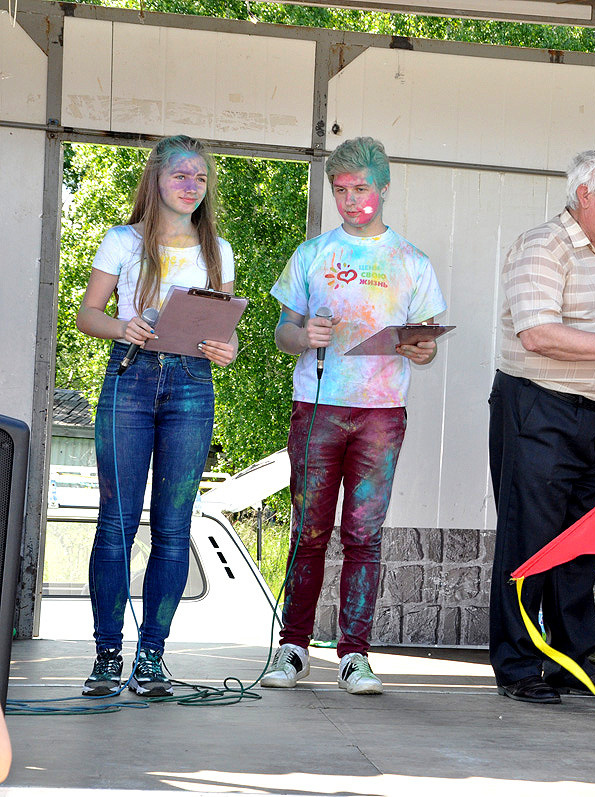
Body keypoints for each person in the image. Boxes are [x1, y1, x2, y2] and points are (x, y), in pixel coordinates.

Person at [262, 137, 446, 696]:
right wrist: (303, 335)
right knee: (307, 531)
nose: (349, 200)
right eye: (340, 190)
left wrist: (421, 350)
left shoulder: (411, 260)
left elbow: (427, 343)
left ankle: (355, 655)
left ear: (383, 188)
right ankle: (292, 648)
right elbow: (281, 333)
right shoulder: (313, 253)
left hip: (381, 413)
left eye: (360, 189)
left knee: (364, 536)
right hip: (318, 407)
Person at [489, 149, 595, 704]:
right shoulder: (543, 246)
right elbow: (537, 334)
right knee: (530, 543)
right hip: (539, 410)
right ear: (584, 194)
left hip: (594, 418)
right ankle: (517, 667)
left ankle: (570, 664)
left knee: (579, 546)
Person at [76, 135, 238, 697]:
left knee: (173, 529)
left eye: (200, 177)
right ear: (157, 181)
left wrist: (226, 348)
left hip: (192, 385)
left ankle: (151, 657)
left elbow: (226, 335)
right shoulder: (123, 241)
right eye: (181, 176)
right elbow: (86, 315)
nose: (192, 186)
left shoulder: (217, 249)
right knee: (116, 525)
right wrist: (124, 328)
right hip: (130, 378)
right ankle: (106, 654)